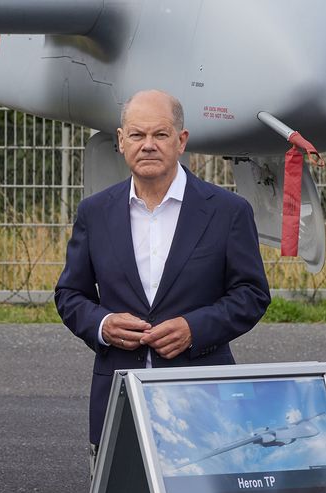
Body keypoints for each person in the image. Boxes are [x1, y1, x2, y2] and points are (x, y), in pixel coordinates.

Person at [54, 89, 270, 472]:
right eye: (137, 135)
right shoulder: (95, 212)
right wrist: (103, 325)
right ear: (121, 142)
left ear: (181, 141)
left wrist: (194, 328)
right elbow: (70, 294)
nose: (148, 145)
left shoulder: (227, 212)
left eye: (161, 134)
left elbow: (252, 294)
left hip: (206, 404)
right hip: (119, 400)